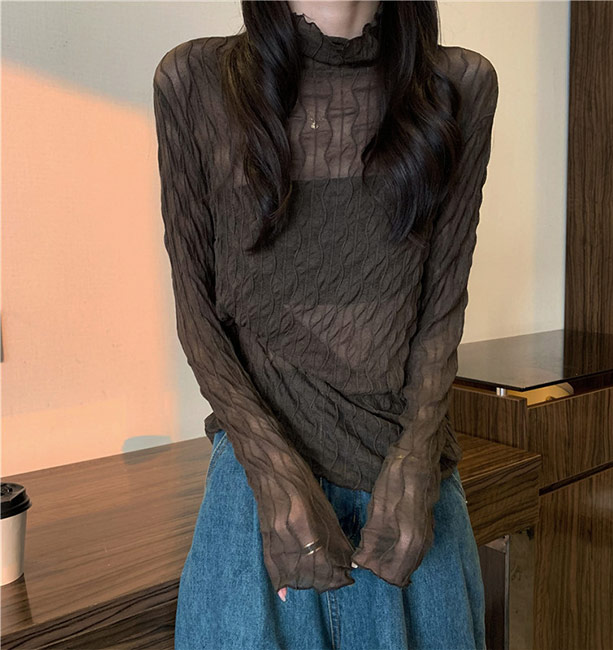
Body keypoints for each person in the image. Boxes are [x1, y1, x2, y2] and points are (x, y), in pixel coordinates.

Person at [153, 0, 498, 647]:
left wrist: (417, 457)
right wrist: (273, 473)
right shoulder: (195, 79)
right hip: (260, 499)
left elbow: (442, 307)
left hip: (409, 502)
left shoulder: (459, 85)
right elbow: (197, 312)